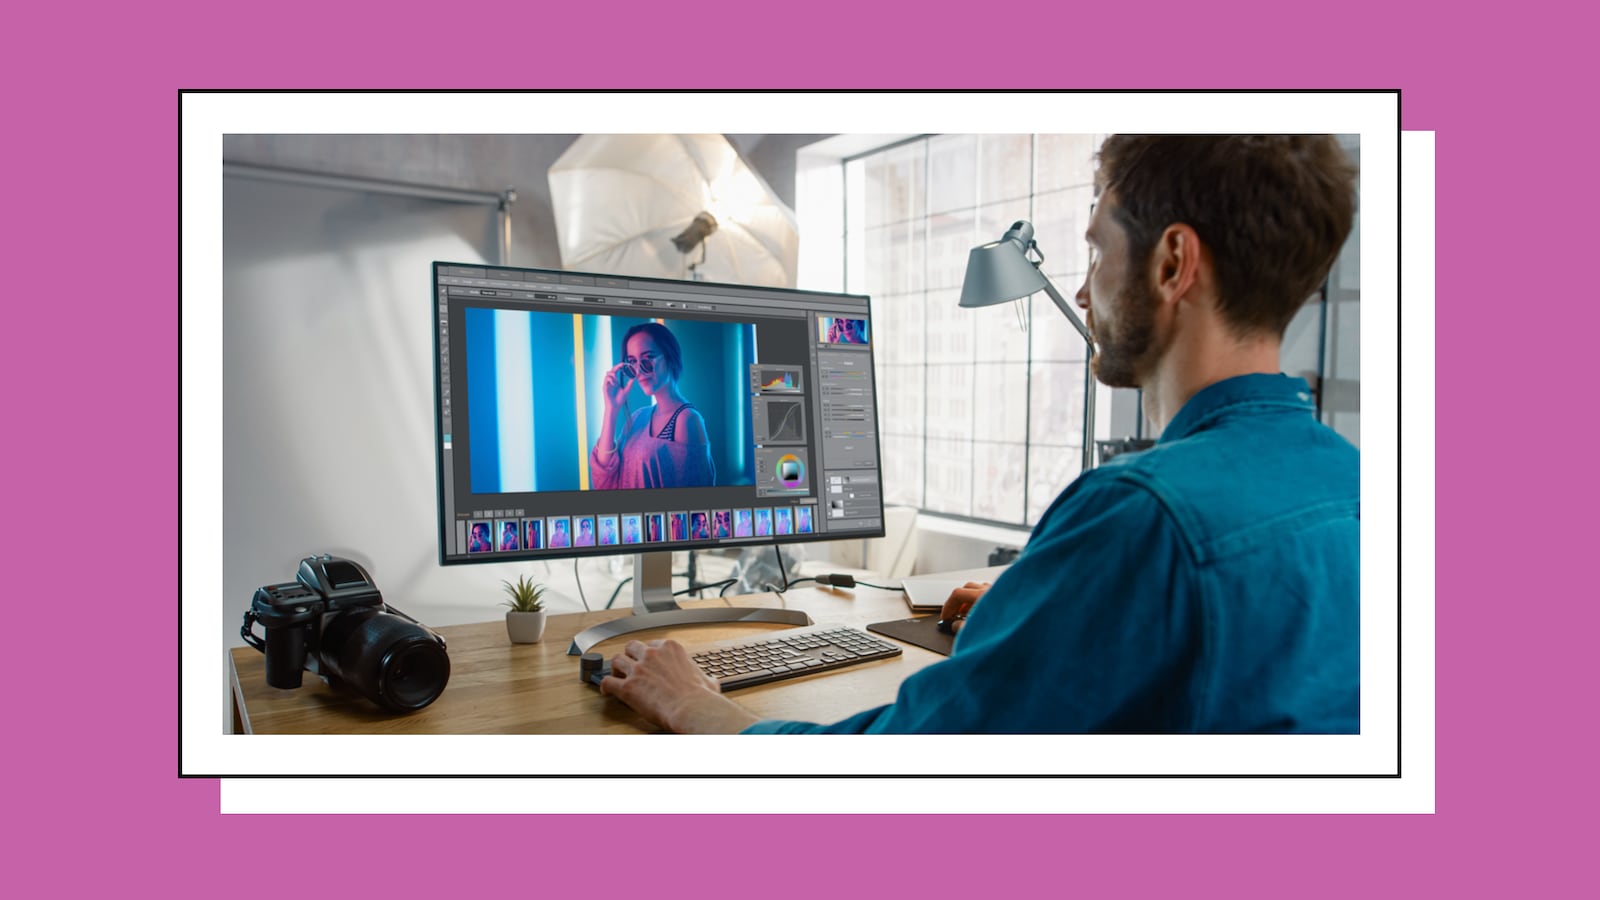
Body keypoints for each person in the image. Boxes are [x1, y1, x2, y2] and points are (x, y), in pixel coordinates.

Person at [598, 135, 1360, 735]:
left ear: (1172, 264)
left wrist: (697, 706)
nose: (1082, 290)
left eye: (1097, 250)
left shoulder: (1141, 512)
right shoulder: (1359, 486)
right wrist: (1039, 609)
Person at [589, 323, 715, 490]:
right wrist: (611, 410)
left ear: (669, 356)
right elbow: (604, 478)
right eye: (632, 362)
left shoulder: (686, 420)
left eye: (647, 358)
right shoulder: (638, 417)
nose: (639, 370)